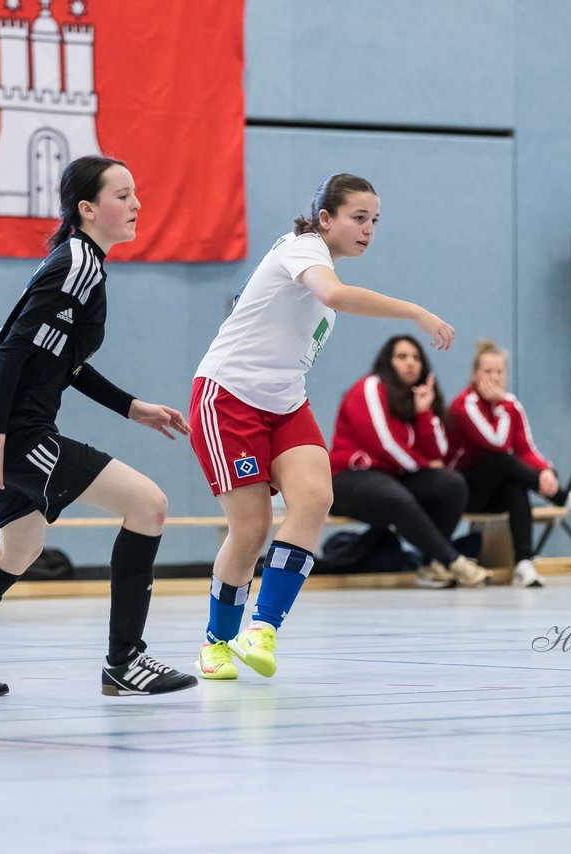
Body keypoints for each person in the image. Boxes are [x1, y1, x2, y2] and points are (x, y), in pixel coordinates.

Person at [0, 155, 196, 698]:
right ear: (87, 209)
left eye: (137, 194)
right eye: (122, 195)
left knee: (20, 546)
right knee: (148, 505)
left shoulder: (81, 263)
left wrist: (132, 407)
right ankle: (125, 663)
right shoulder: (77, 266)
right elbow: (15, 348)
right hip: (12, 429)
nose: (136, 204)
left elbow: (62, 360)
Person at [189, 173, 455, 681]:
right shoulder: (302, 248)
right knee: (251, 530)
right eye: (359, 218)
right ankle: (216, 641)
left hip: (286, 403)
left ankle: (261, 629)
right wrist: (416, 312)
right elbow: (333, 296)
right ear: (325, 219)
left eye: (375, 220)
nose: (369, 229)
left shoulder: (319, 267)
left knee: (314, 500)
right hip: (229, 398)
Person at [327, 335, 491, 589]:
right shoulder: (371, 387)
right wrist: (423, 465)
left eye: (416, 357)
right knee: (396, 496)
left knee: (452, 484)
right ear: (388, 362)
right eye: (402, 357)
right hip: (348, 479)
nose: (411, 363)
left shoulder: (418, 397)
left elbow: (440, 452)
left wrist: (425, 413)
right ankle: (452, 559)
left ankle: (430, 565)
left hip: (392, 478)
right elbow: (385, 442)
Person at [447, 339, 571, 587]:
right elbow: (499, 443)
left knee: (515, 485)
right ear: (474, 374)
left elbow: (525, 448)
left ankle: (524, 564)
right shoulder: (465, 406)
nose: (494, 377)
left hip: (492, 488)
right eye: (487, 372)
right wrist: (503, 406)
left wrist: (544, 470)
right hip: (461, 491)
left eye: (499, 372)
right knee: (503, 462)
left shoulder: (509, 404)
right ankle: (568, 501)